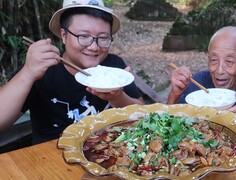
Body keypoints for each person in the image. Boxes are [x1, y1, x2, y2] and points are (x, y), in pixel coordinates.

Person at [0, 0, 144, 144]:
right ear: (64, 35)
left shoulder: (114, 67)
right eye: (84, 36)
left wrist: (117, 97)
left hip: (105, 154)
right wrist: (27, 73)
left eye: (103, 38)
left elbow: (142, 114)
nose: (94, 47)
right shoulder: (41, 70)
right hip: (51, 157)